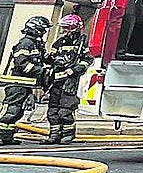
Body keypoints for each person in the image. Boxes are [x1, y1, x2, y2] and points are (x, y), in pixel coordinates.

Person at [0, 16, 51, 145]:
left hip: (25, 84)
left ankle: (6, 137)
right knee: (11, 111)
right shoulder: (25, 43)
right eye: (43, 30)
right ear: (36, 29)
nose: (44, 32)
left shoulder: (35, 44)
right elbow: (22, 64)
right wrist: (42, 71)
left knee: (18, 112)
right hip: (16, 83)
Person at [44, 14, 90, 145]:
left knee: (65, 111)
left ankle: (68, 135)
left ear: (75, 28)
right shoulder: (59, 43)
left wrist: (74, 70)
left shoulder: (83, 42)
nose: (64, 31)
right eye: (63, 28)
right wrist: (47, 58)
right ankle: (54, 135)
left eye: (66, 28)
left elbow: (88, 60)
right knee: (53, 110)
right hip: (56, 81)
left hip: (71, 82)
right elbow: (52, 59)